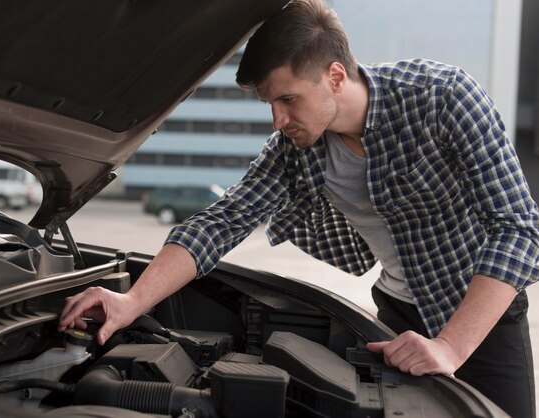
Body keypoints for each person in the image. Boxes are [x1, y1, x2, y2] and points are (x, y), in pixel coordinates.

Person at [59, 0, 538, 416]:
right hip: (396, 316)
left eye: (289, 99)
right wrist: (131, 301)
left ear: (334, 76)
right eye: (270, 103)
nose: (279, 119)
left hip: (482, 313)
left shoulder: (443, 96)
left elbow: (518, 228)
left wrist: (452, 346)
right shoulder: (296, 148)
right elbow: (222, 221)